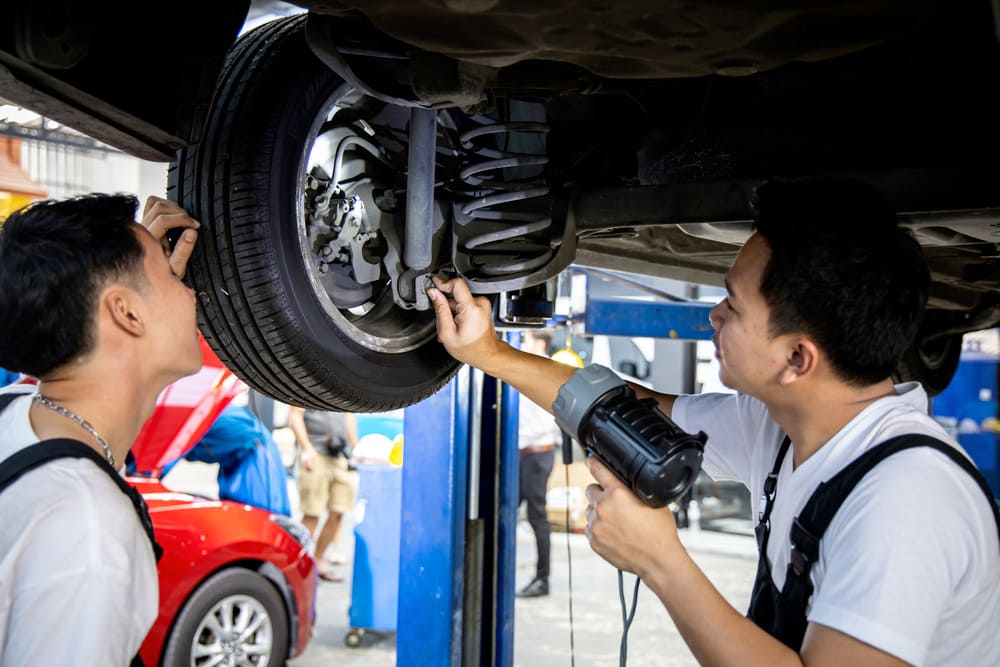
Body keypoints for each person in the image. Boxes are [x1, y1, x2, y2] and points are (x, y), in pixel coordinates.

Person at [428, 177, 1000, 666]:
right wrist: (490, 354)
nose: (713, 316)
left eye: (733, 305)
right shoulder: (781, 427)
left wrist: (661, 560)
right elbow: (624, 410)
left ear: (796, 358)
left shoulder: (905, 499)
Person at [0, 193, 200, 665]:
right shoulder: (88, 528)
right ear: (126, 313)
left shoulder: (17, 410)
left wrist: (144, 283)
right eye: (169, 276)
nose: (191, 292)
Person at [515, 330, 563, 598]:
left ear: (540, 342)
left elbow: (544, 422)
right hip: (524, 454)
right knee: (507, 509)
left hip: (537, 453)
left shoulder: (546, 372)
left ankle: (542, 579)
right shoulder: (529, 368)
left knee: (537, 517)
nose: (523, 344)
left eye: (527, 339)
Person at [289, 405, 359, 582]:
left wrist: (355, 449)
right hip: (315, 452)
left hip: (341, 454)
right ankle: (297, 565)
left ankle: (318, 561)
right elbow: (295, 416)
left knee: (339, 511)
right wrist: (306, 448)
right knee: (312, 513)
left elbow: (349, 415)